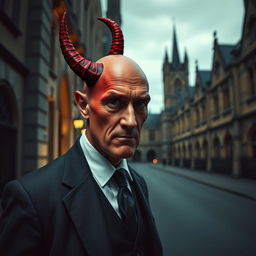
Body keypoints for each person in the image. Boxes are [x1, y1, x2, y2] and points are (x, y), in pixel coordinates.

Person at [0, 12, 163, 256]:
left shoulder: (137, 184)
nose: (131, 121)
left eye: (140, 104)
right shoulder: (32, 199)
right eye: (114, 102)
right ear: (84, 106)